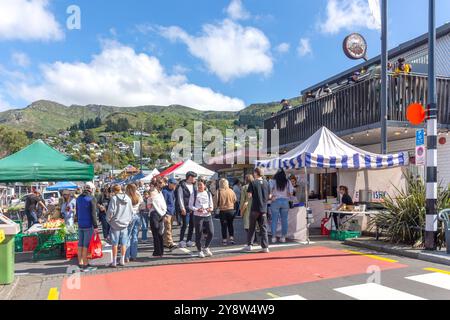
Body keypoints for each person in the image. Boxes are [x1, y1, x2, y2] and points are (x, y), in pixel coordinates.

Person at [243, 168, 270, 253]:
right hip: (264, 208)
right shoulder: (266, 183)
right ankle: (265, 247)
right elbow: (269, 196)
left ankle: (249, 245)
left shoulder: (253, 182)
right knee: (263, 228)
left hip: (255, 208)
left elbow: (249, 195)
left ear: (255, 173)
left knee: (252, 227)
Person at [107, 184, 133, 268]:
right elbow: (131, 211)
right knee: (123, 243)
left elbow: (111, 211)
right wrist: (129, 220)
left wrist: (108, 220)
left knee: (114, 243)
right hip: (125, 223)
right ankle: (122, 259)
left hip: (115, 223)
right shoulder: (128, 198)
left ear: (114, 191)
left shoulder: (114, 198)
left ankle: (114, 261)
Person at [76, 182, 99, 272]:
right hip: (88, 224)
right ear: (91, 189)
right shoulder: (91, 198)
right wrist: (96, 226)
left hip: (80, 223)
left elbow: (77, 212)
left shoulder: (78, 198)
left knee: (80, 244)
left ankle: (80, 263)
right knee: (85, 245)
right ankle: (85, 265)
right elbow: (93, 214)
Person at [190, 179, 214, 258]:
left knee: (211, 232)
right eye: (198, 185)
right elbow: (190, 206)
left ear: (205, 186)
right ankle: (199, 250)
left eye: (201, 185)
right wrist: (197, 209)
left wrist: (210, 209)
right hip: (198, 216)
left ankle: (206, 247)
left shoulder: (208, 193)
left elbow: (211, 205)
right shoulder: (194, 193)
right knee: (198, 233)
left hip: (207, 215)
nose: (199, 186)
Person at [269, 169, 294, 244]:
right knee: (284, 220)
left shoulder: (272, 181)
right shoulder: (288, 182)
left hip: (275, 201)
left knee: (274, 220)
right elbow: (291, 193)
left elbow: (269, 191)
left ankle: (273, 237)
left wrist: (272, 196)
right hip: (285, 201)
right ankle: (283, 237)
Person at [176, 171, 198, 248]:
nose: (194, 179)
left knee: (192, 225)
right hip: (185, 208)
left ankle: (188, 240)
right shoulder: (181, 186)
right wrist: (182, 208)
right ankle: (181, 241)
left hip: (193, 208)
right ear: (189, 177)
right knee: (185, 224)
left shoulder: (194, 186)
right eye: (193, 177)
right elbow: (180, 197)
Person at [148, 178, 167, 257]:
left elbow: (152, 205)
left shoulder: (157, 192)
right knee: (158, 233)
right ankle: (159, 251)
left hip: (156, 213)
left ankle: (158, 252)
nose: (162, 184)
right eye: (161, 183)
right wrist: (163, 212)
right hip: (158, 213)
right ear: (157, 184)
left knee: (157, 233)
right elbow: (158, 204)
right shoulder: (156, 192)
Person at [215, 179, 237, 246]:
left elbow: (215, 201)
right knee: (231, 225)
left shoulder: (218, 191)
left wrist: (215, 208)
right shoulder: (231, 190)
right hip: (231, 210)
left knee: (223, 226)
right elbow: (235, 199)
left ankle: (224, 240)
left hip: (222, 210)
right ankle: (231, 239)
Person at [125, 184, 144, 262]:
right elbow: (143, 205)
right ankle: (134, 255)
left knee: (127, 236)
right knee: (135, 236)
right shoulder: (138, 194)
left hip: (129, 216)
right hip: (137, 215)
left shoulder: (126, 196)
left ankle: (126, 256)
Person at [240, 174, 258, 245]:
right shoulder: (256, 186)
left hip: (247, 207)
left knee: (247, 225)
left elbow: (242, 200)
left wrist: (241, 210)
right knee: (254, 224)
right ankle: (255, 240)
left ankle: (250, 241)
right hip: (255, 206)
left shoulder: (244, 187)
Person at [162, 178, 177, 250]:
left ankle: (165, 242)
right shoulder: (165, 191)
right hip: (167, 212)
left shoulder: (172, 190)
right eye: (173, 184)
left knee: (169, 228)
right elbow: (163, 203)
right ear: (169, 183)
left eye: (175, 184)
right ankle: (170, 243)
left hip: (172, 211)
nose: (174, 185)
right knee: (168, 228)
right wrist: (164, 213)